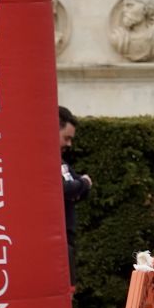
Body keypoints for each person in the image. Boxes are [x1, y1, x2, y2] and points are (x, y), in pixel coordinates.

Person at [60, 107, 92, 285]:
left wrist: (80, 186)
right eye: (66, 138)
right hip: (58, 239)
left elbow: (76, 187)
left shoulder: (62, 162)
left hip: (68, 237)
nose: (69, 144)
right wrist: (83, 184)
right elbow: (65, 189)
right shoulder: (46, 162)